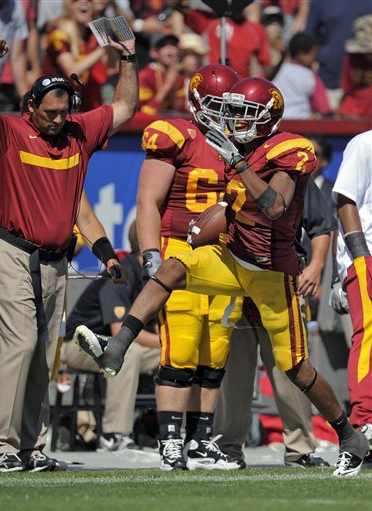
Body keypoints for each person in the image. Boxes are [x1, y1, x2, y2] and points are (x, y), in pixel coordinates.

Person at [74, 76, 370, 477]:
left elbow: (274, 205)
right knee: (174, 265)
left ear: (268, 119)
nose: (234, 120)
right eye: (232, 111)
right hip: (232, 259)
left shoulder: (287, 149)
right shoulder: (230, 147)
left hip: (270, 271)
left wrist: (240, 165)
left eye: (245, 114)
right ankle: (118, 345)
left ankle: (348, 435)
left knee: (295, 366)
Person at [0, 29, 138, 472]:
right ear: (30, 108)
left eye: (64, 112)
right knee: (18, 346)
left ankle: (29, 447)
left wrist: (129, 58)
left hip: (56, 261)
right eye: (50, 113)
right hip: (12, 252)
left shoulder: (78, 132)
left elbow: (126, 107)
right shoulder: (6, 131)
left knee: (42, 354)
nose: (58, 120)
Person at [134, 64, 242, 471]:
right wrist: (150, 255)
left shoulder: (242, 144)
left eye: (230, 107)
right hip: (180, 251)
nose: (224, 115)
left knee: (214, 356)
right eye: (217, 106)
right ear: (197, 103)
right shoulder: (179, 136)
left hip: (224, 259)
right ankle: (171, 442)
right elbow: (149, 202)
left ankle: (200, 440)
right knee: (178, 351)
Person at [215, 177, 337, 468]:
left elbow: (321, 225)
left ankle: (300, 448)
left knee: (292, 369)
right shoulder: (230, 170)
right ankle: (228, 446)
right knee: (234, 372)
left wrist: (317, 266)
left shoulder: (292, 169)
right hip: (237, 281)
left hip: (281, 281)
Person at [61, 221, 160, 450]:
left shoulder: (155, 277)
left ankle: (185, 432)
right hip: (78, 345)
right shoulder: (121, 273)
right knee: (127, 353)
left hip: (118, 346)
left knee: (183, 354)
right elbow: (121, 335)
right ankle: (114, 433)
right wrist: (167, 342)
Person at [330, 130, 372, 460]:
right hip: (367, 252)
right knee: (368, 334)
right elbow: (345, 201)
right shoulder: (365, 142)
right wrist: (360, 258)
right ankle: (365, 420)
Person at [272, 31, 332, 119]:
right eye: (313, 54)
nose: (314, 58)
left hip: (275, 123)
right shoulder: (311, 76)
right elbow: (324, 109)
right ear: (301, 54)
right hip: (302, 127)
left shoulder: (274, 71)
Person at [137, 34, 186, 116]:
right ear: (154, 53)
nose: (170, 49)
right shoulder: (145, 75)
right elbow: (146, 111)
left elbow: (179, 110)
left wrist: (173, 86)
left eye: (173, 45)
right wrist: (168, 85)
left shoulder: (180, 76)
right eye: (164, 46)